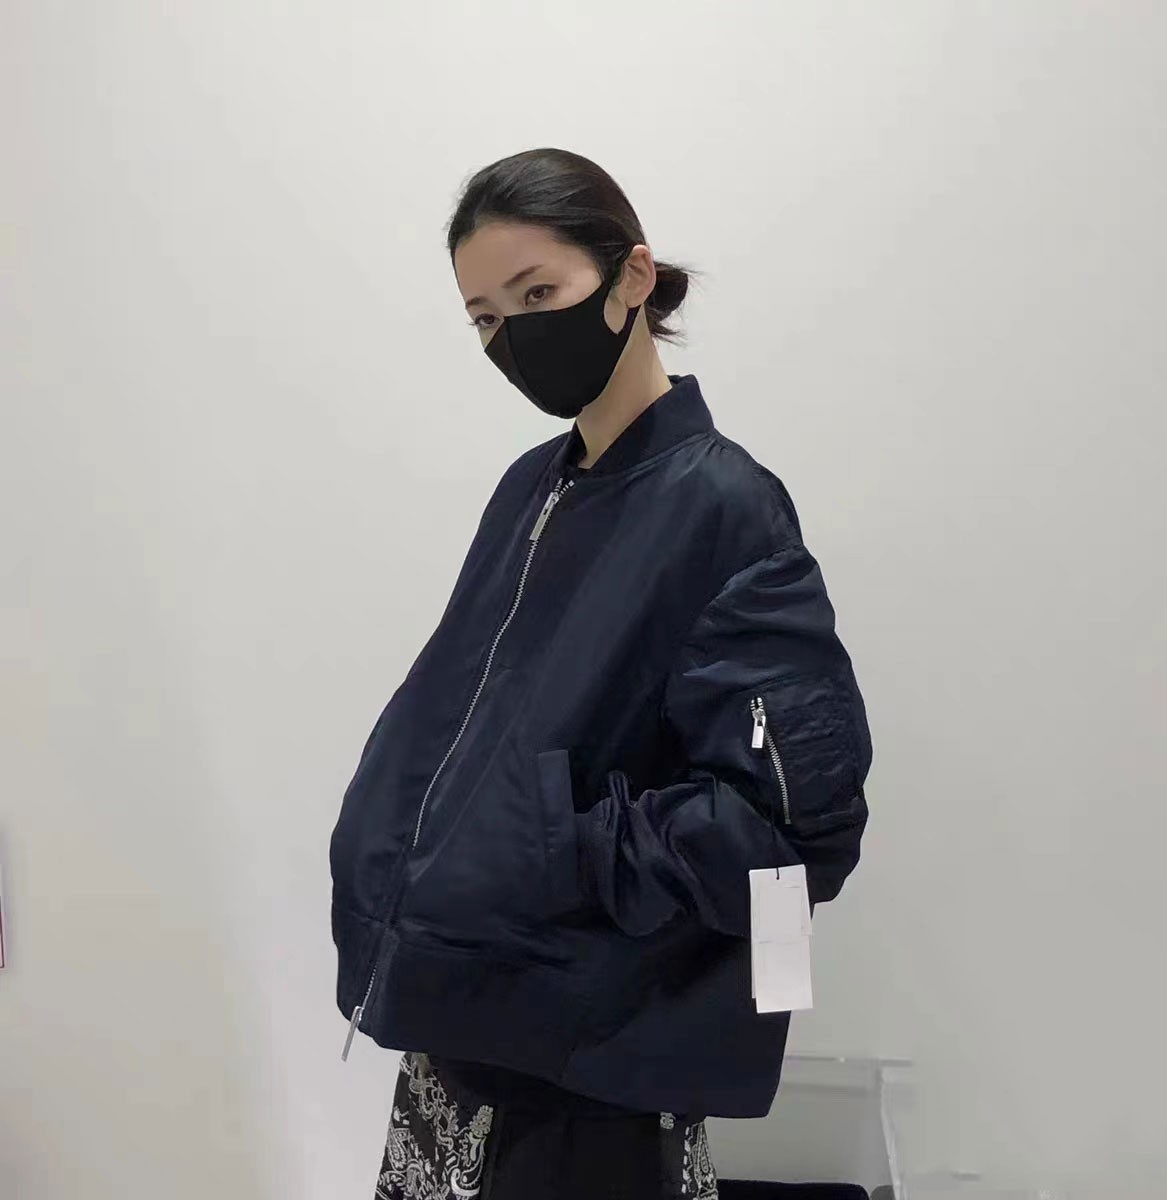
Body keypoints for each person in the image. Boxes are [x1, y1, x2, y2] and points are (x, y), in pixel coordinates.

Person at [329, 147, 873, 1200]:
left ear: (632, 276)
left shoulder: (724, 506)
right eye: (485, 317)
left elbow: (796, 835)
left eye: (538, 294)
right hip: (462, 1035)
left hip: (587, 1080)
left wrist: (558, 851)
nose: (513, 337)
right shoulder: (530, 489)